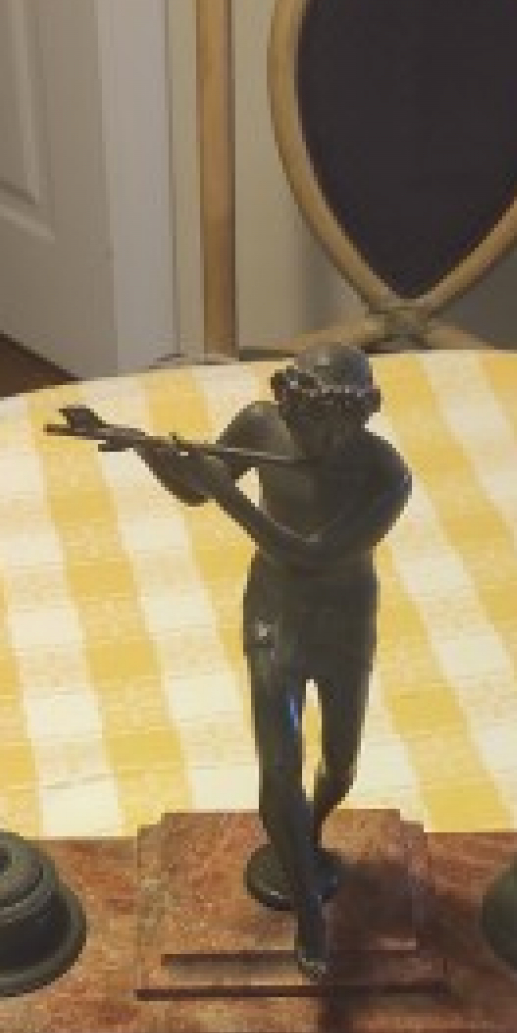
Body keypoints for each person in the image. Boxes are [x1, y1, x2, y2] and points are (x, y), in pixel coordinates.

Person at [60, 345, 411, 979]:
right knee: (279, 762)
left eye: (331, 431)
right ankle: (309, 910)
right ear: (287, 407)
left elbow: (313, 552)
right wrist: (141, 444)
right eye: (303, 426)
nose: (314, 443)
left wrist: (228, 494)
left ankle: (303, 834)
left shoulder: (387, 474)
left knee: (340, 764)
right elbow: (193, 489)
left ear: (359, 418)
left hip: (344, 617)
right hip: (275, 611)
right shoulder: (260, 425)